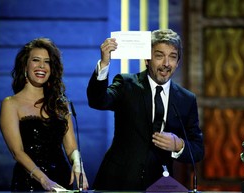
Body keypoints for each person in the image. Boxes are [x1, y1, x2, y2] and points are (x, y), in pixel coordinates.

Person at [87, 29, 204, 191]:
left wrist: (178, 145)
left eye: (172, 57)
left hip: (159, 185)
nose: (166, 63)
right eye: (159, 55)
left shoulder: (186, 99)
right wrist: (104, 64)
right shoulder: (126, 84)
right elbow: (97, 101)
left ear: (178, 62)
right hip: (118, 182)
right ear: (147, 59)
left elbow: (198, 150)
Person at [0, 38, 89, 192]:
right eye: (36, 60)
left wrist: (77, 164)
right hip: (30, 181)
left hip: (62, 179)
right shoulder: (10, 104)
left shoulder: (60, 104)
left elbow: (71, 146)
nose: (42, 66)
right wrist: (44, 180)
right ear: (25, 65)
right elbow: (17, 152)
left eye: (47, 62)